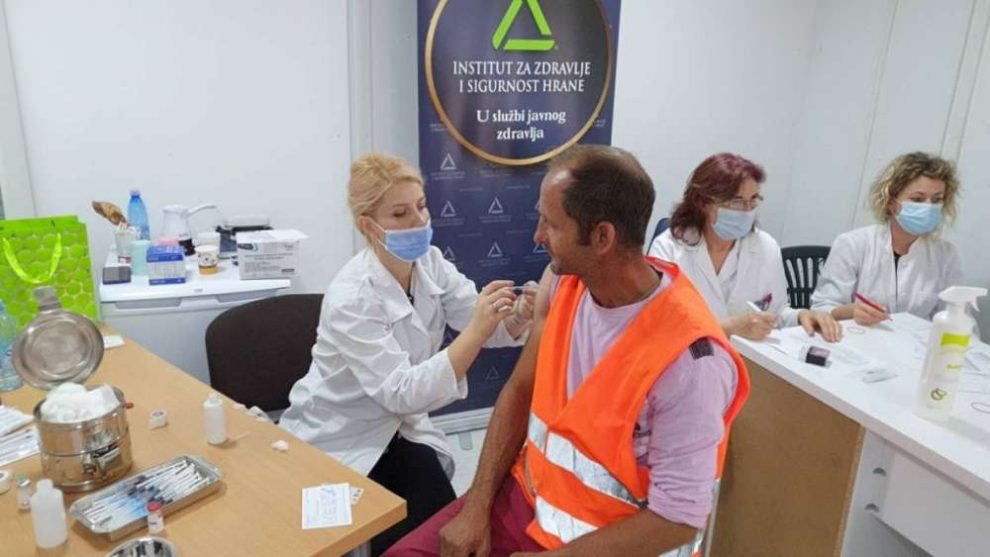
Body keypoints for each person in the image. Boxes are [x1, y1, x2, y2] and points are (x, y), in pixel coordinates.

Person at [384, 145, 750, 557]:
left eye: (550, 223)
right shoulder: (562, 284)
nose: (537, 235)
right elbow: (520, 391)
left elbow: (677, 520)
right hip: (530, 501)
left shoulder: (691, 362)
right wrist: (476, 506)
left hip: (609, 543)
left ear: (602, 237)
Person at [278, 153, 534, 555]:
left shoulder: (429, 261)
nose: (419, 221)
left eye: (421, 205)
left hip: (400, 428)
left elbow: (479, 320)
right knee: (395, 541)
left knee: (441, 534)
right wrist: (479, 328)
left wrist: (516, 317)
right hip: (343, 434)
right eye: (400, 213)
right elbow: (402, 391)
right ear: (368, 225)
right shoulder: (351, 297)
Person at [649, 153, 841, 342]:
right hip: (686, 355)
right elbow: (658, 324)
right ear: (704, 203)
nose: (747, 210)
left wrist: (802, 316)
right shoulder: (668, 249)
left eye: (753, 199)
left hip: (747, 357)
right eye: (737, 201)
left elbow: (777, 314)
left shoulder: (766, 247)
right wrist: (730, 328)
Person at [811, 152, 963, 325]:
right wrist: (850, 311)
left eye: (936, 200)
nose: (929, 207)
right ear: (891, 202)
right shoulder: (853, 244)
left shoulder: (945, 254)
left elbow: (955, 316)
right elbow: (822, 308)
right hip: (859, 336)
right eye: (917, 199)